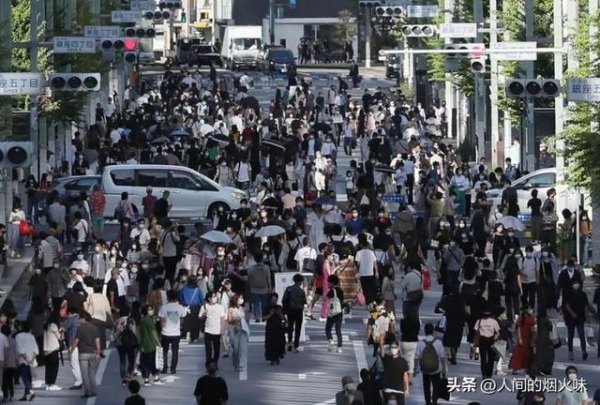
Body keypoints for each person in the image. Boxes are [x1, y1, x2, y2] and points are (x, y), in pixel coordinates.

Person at [414, 323, 447, 405]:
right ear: (433, 331)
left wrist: (415, 368)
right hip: (436, 368)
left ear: (425, 331)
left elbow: (416, 357)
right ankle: (434, 400)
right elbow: (442, 357)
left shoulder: (421, 343)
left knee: (426, 386)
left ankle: (428, 401)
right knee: (436, 385)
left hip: (425, 369)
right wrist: (444, 369)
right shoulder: (438, 343)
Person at [70, 311, 101, 399]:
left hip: (83, 353)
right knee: (91, 372)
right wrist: (98, 353)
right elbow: (97, 342)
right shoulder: (95, 328)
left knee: (84, 374)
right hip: (92, 353)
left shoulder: (80, 328)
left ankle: (88, 391)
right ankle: (94, 390)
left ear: (83, 319)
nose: (79, 320)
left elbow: (76, 341)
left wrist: (71, 351)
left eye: (80, 319)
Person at [159, 289, 187, 374]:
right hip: (176, 333)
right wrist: (180, 327)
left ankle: (165, 368)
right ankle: (173, 368)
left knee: (165, 351)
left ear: (168, 297)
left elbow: (161, 320)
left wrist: (162, 327)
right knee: (175, 352)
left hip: (165, 332)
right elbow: (182, 318)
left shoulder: (164, 307)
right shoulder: (180, 307)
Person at [563, 279, 590, 361]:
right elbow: (566, 305)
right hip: (570, 318)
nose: (576, 285)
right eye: (575, 283)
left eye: (577, 283)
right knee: (570, 336)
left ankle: (584, 351)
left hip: (581, 317)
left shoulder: (583, 294)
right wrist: (572, 313)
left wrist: (586, 316)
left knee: (582, 335)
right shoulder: (568, 293)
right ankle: (570, 352)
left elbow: (586, 306)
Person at [199, 291, 226, 367]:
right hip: (208, 330)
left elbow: (222, 318)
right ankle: (208, 364)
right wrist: (204, 314)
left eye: (215, 296)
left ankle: (215, 363)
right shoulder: (204, 307)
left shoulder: (220, 307)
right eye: (213, 297)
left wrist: (222, 329)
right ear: (209, 298)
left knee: (217, 349)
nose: (215, 298)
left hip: (217, 331)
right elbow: (200, 318)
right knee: (208, 349)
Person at [282, 274, 307, 353]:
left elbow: (284, 300)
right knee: (298, 329)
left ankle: (289, 343)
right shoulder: (301, 291)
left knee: (290, 327)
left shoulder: (289, 289)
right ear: (300, 281)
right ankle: (295, 346)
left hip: (290, 311)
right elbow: (304, 302)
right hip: (298, 311)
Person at [380, 340, 409, 405]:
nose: (393, 349)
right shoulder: (387, 358)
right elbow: (382, 353)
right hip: (388, 389)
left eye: (395, 347)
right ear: (390, 349)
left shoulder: (403, 361)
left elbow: (405, 375)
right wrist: (381, 342)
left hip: (399, 390)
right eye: (392, 347)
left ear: (398, 348)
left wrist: (407, 389)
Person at [473, 308, 500, 379]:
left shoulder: (480, 321)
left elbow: (476, 331)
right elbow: (497, 333)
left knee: (487, 358)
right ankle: (487, 374)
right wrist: (495, 338)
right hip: (486, 340)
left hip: (487, 340)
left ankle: (486, 374)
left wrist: (494, 339)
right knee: (487, 358)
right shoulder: (491, 322)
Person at [15, 321, 38, 401]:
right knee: (29, 377)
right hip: (32, 359)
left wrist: (26, 358)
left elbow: (19, 348)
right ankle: (25, 395)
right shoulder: (31, 336)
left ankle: (31, 392)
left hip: (23, 359)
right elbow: (35, 349)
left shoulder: (18, 336)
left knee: (25, 378)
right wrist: (31, 359)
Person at [227, 294, 249, 372]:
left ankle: (241, 364)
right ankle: (235, 363)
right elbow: (229, 320)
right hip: (234, 329)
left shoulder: (242, 309)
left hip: (242, 329)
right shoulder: (231, 309)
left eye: (242, 298)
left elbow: (246, 319)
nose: (241, 300)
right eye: (240, 298)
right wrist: (235, 319)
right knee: (236, 349)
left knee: (242, 348)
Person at [264, 296, 286, 366]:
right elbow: (263, 318)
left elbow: (283, 319)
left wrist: (281, 315)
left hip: (279, 329)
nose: (274, 301)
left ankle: (277, 357)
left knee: (279, 344)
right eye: (273, 299)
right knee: (270, 344)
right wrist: (270, 314)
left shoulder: (279, 307)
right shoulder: (267, 307)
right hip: (270, 328)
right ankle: (272, 359)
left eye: (275, 299)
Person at [326, 275, 344, 353]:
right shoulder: (341, 290)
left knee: (328, 328)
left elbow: (325, 298)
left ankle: (330, 340)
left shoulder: (332, 291)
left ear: (332, 283)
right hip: (339, 312)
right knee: (338, 330)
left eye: (329, 283)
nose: (328, 284)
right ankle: (339, 347)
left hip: (332, 313)